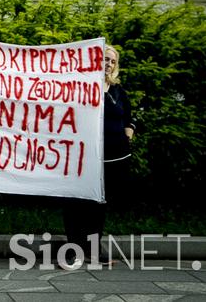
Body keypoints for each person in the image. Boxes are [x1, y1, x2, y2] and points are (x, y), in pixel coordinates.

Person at [62, 44, 135, 267]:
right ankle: (74, 248)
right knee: (77, 201)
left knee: (100, 203)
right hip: (84, 156)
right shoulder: (82, 86)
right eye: (104, 59)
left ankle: (93, 249)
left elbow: (130, 116)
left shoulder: (118, 91)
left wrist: (128, 132)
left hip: (113, 157)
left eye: (112, 61)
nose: (108, 64)